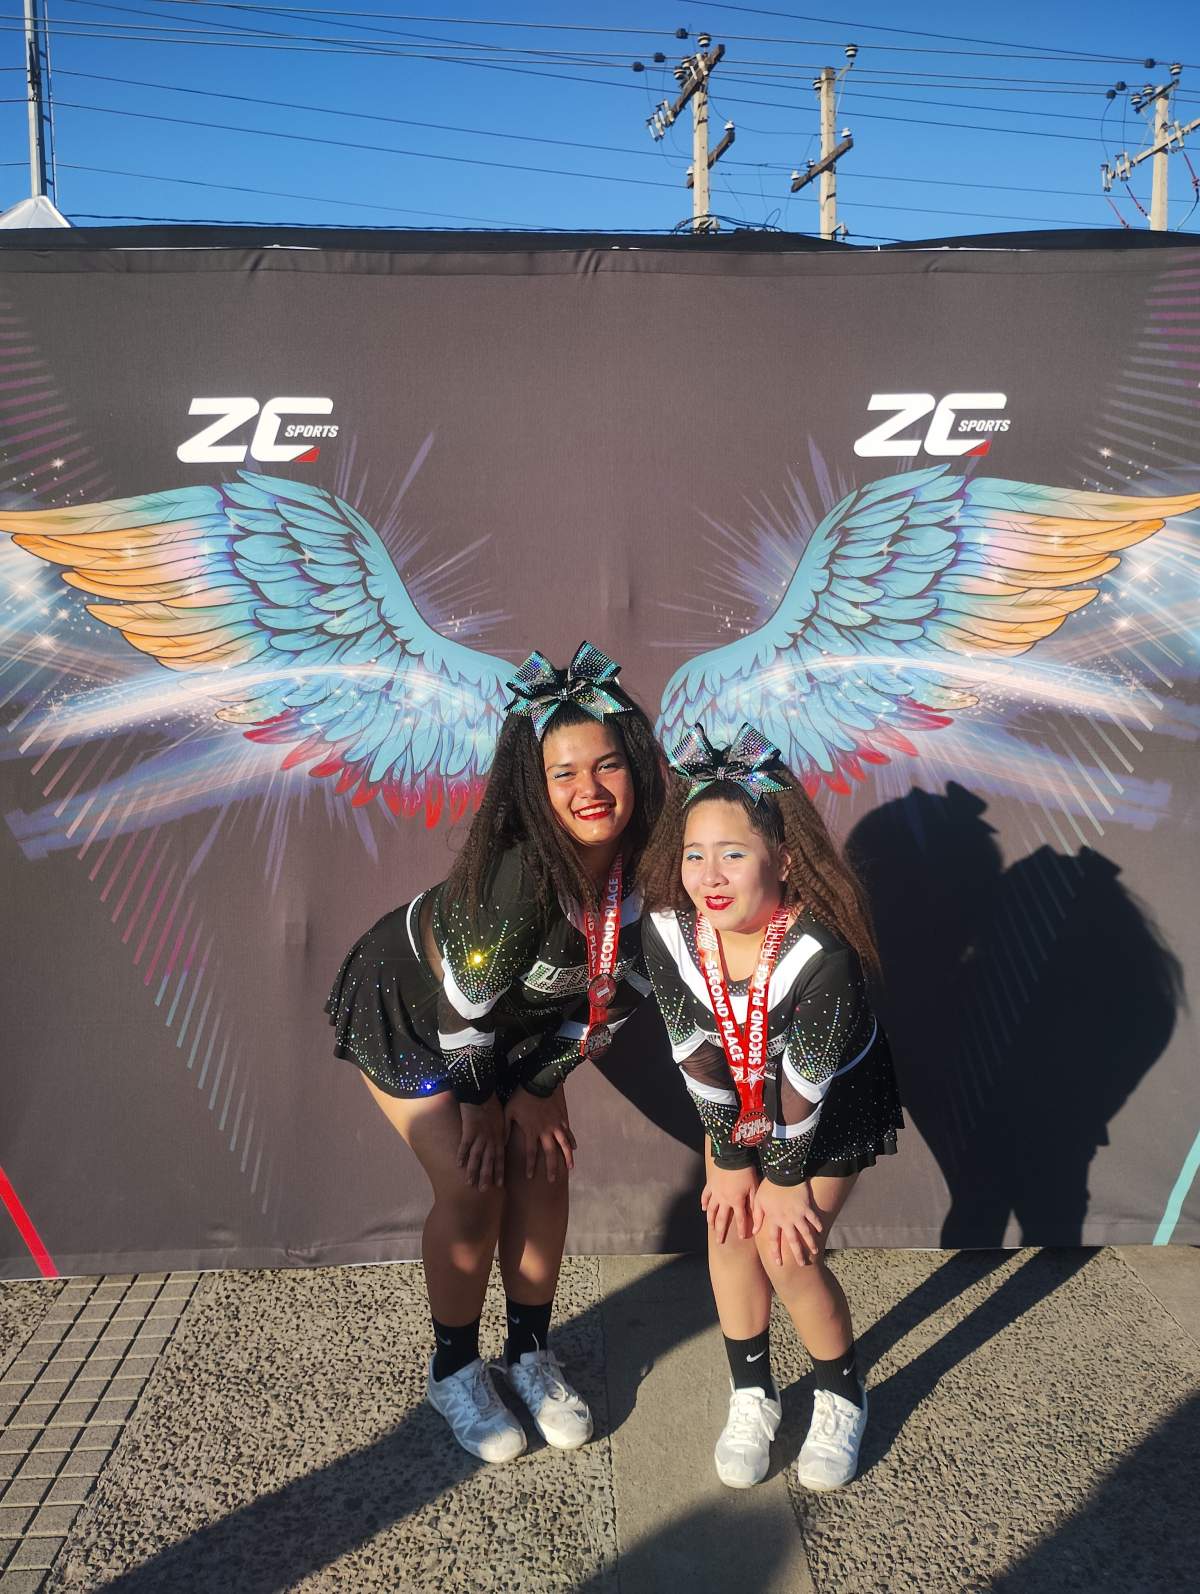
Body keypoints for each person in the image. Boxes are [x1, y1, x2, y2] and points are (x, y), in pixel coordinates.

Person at [327, 643, 664, 1463]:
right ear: (532, 787)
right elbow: (461, 1011)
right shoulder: (519, 878)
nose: (589, 789)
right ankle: (453, 1369)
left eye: (607, 765)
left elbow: (622, 997)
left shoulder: (659, 868)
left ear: (636, 766)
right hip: (421, 1013)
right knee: (475, 1184)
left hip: (521, 1024)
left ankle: (530, 1355)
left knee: (543, 1166)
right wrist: (481, 1103)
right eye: (562, 773)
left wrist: (541, 1087)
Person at [638, 722, 902, 1492]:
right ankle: (753, 1392)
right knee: (728, 1227)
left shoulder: (823, 953)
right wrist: (727, 1160)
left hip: (829, 1101)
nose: (708, 875)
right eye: (694, 854)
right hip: (741, 1096)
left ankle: (841, 1394)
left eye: (733, 854)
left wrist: (781, 1181)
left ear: (782, 860)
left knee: (786, 1251)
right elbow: (695, 1052)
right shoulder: (667, 932)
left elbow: (806, 1087)